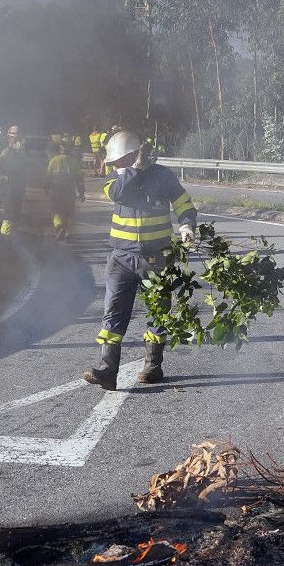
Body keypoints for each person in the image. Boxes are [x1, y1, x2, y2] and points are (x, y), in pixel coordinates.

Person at [84, 131, 197, 391]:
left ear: (134, 154)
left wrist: (187, 226)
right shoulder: (116, 178)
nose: (114, 166)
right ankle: (108, 370)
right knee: (113, 312)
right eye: (116, 162)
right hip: (121, 258)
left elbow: (183, 203)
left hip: (156, 258)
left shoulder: (163, 175)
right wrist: (134, 169)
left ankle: (152, 366)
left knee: (158, 311)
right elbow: (118, 194)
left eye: (120, 160)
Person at [44, 142, 85, 242]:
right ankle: (67, 232)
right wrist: (81, 192)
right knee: (69, 212)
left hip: (56, 190)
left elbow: (48, 176)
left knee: (55, 210)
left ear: (59, 150)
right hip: (69, 190)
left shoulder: (53, 160)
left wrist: (46, 188)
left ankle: (59, 226)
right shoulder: (74, 162)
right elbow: (79, 179)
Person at [0, 125, 30, 236]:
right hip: (13, 185)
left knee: (13, 212)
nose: (18, 141)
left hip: (15, 185)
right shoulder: (10, 152)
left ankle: (9, 238)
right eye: (16, 138)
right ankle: (6, 238)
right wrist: (5, 175)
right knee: (10, 212)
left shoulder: (13, 152)